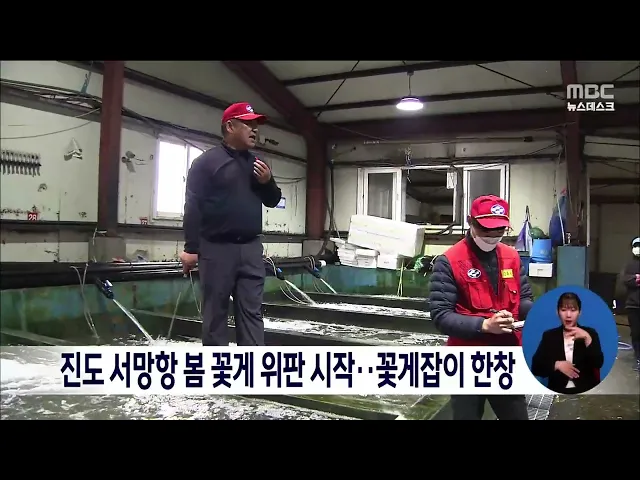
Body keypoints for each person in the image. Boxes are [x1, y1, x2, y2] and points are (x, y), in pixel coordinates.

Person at [179, 102, 282, 346]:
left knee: (252, 313)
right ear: (230, 126)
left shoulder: (258, 165)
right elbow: (193, 205)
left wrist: (267, 182)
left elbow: (273, 200)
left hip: (251, 249)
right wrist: (191, 248)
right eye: (248, 123)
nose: (254, 129)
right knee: (215, 315)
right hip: (216, 249)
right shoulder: (206, 163)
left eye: (256, 125)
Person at [429, 195, 534, 420]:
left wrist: (539, 313)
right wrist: (484, 325)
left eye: (499, 230)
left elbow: (523, 298)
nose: (492, 236)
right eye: (486, 229)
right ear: (470, 222)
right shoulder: (449, 261)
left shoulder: (512, 257)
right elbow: (441, 315)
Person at [531, 292, 604, 394]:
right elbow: (536, 367)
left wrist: (587, 339)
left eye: (573, 310)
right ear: (558, 312)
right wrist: (557, 365)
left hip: (585, 392)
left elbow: (598, 363)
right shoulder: (549, 336)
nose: (568, 315)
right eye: (564, 310)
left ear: (579, 312)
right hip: (558, 391)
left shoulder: (590, 333)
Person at [619, 237, 640, 371]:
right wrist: (636, 279)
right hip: (633, 305)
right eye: (636, 245)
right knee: (636, 333)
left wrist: (636, 279)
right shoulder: (629, 265)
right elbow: (625, 280)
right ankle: (638, 358)